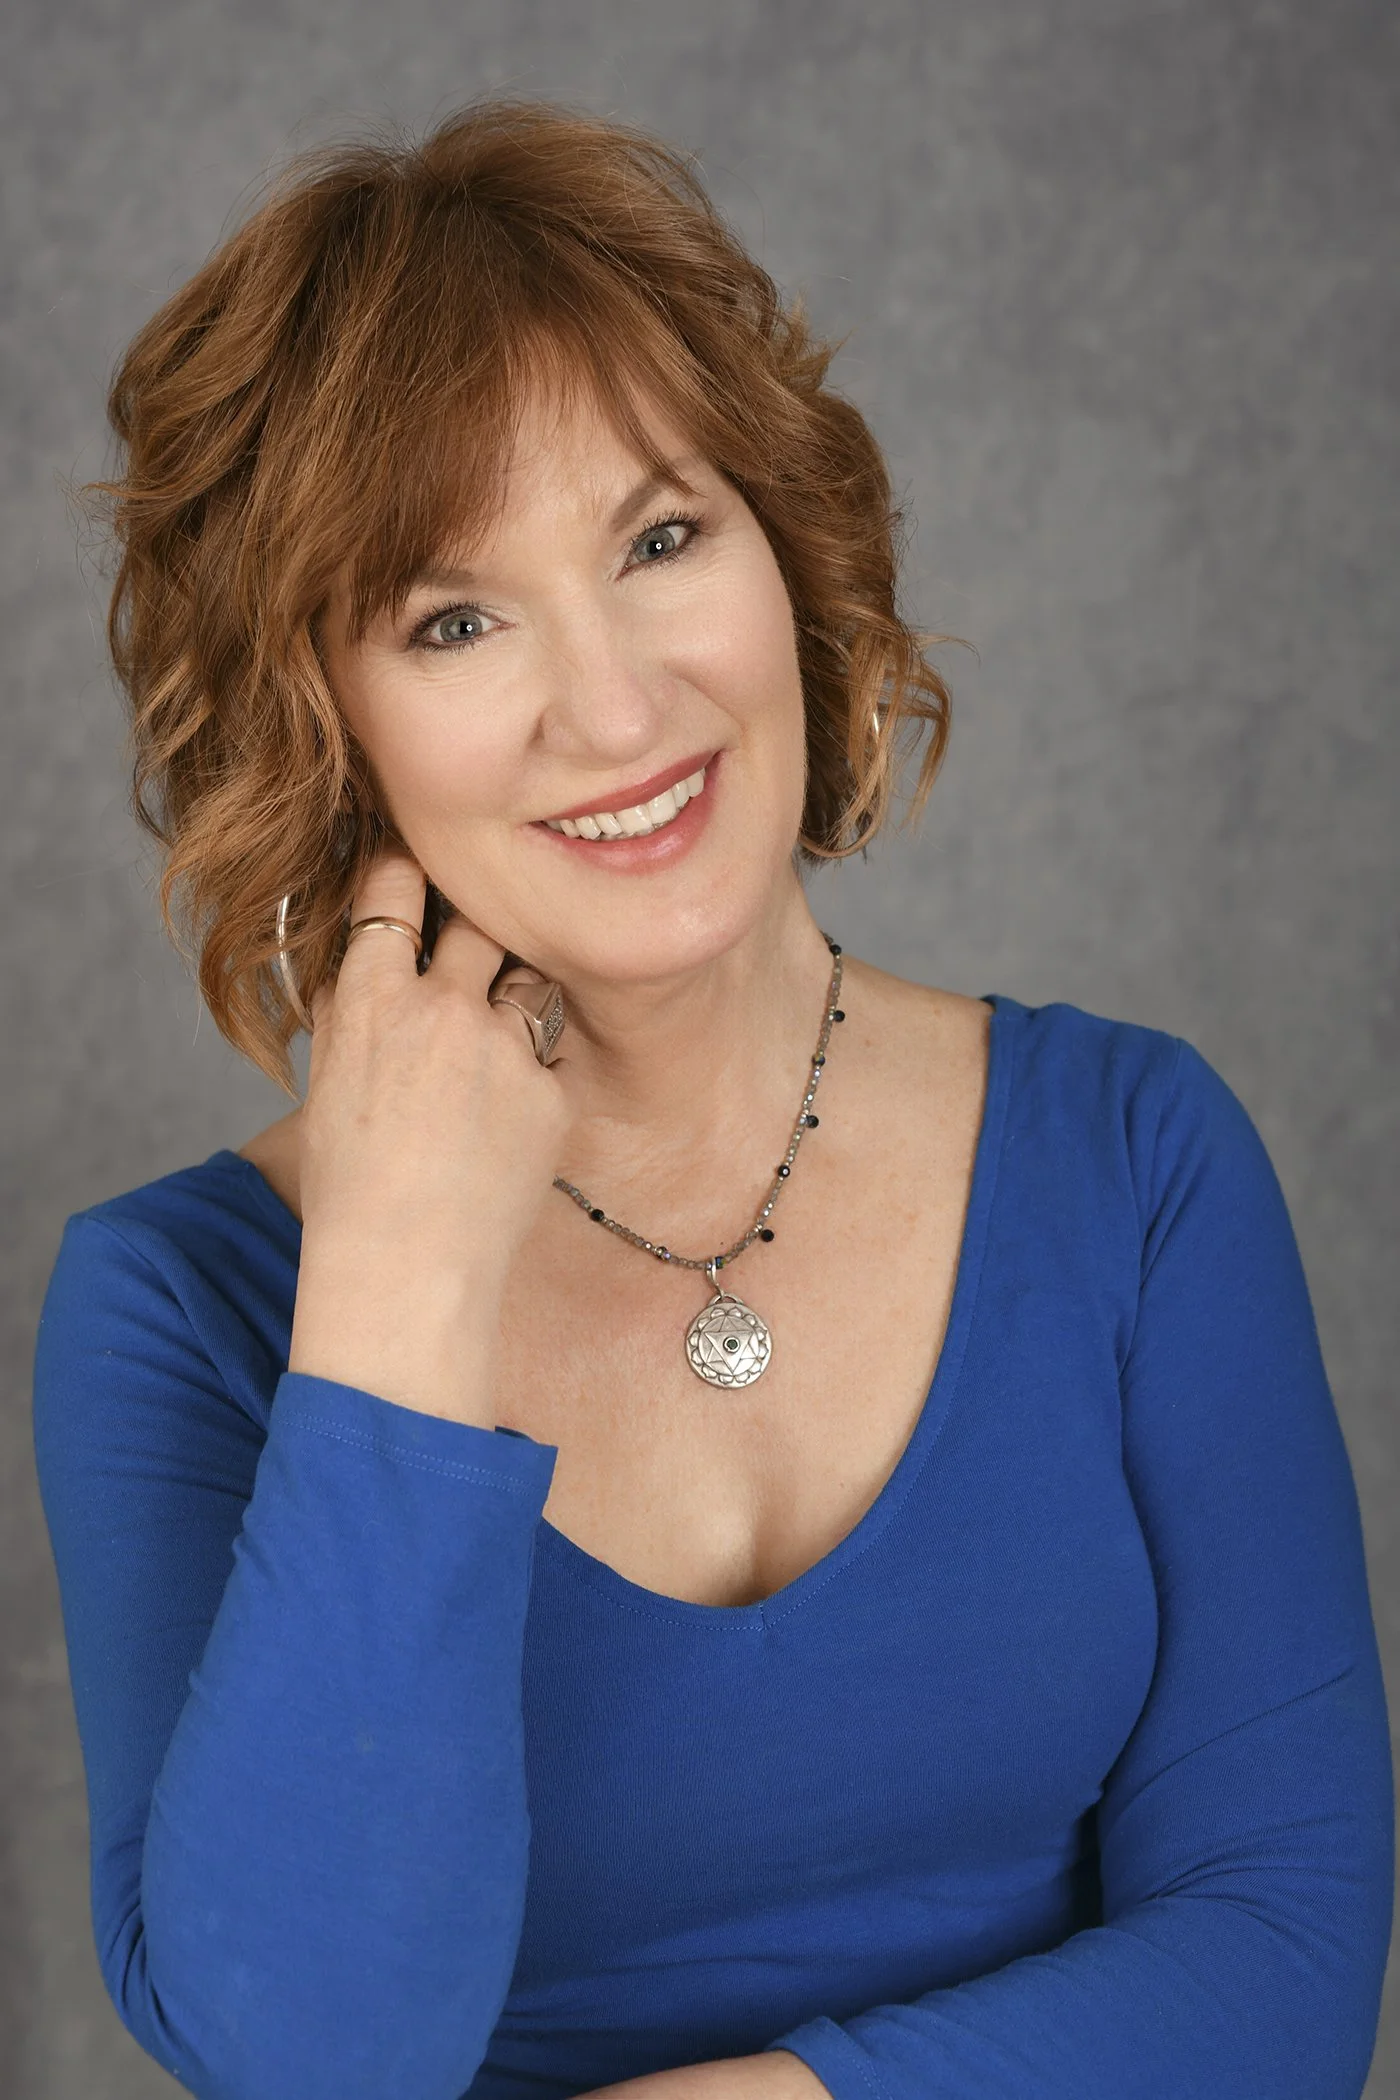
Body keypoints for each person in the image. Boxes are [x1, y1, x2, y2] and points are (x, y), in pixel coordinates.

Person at [30, 97, 1392, 2100]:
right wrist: (401, 1280)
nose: (617, 706)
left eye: (659, 538)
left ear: (787, 553)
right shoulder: (176, 1314)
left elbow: (1283, 1967)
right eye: (455, 616)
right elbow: (310, 2058)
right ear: (318, 727)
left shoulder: (1134, 1157)